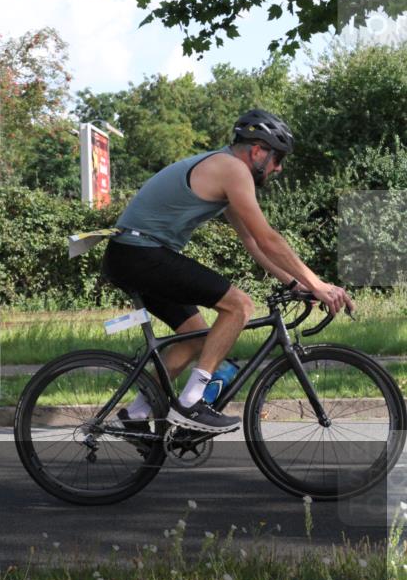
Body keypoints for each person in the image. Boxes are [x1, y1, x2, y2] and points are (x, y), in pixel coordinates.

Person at [101, 109, 354, 433]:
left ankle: (136, 414)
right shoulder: (232, 169)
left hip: (133, 254)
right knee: (240, 305)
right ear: (258, 151)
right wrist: (317, 284)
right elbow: (269, 238)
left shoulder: (225, 170)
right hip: (140, 253)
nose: (279, 168)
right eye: (278, 158)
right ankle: (190, 403)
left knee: (197, 338)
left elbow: (254, 243)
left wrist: (295, 283)